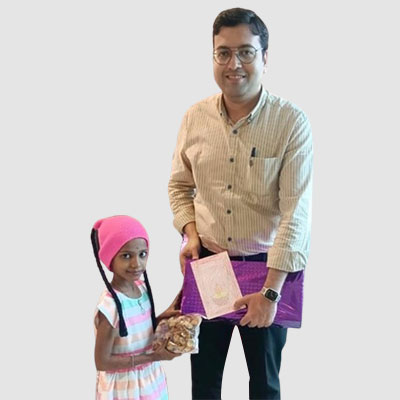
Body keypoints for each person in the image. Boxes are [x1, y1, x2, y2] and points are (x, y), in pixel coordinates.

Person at [168, 7, 313, 400]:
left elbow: (296, 213)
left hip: (267, 270)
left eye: (246, 52)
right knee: (205, 383)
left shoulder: (291, 122)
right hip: (211, 266)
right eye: (224, 53)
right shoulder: (194, 118)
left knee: (264, 386)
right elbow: (179, 186)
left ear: (265, 57)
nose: (234, 64)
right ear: (213, 56)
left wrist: (271, 293)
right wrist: (190, 234)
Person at [91, 215, 180, 400]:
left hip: (149, 381)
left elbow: (136, 331)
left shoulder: (141, 288)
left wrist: (163, 317)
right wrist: (154, 357)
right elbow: (102, 361)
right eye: (126, 256)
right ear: (109, 258)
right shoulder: (110, 306)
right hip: (125, 387)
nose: (136, 264)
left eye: (142, 254)